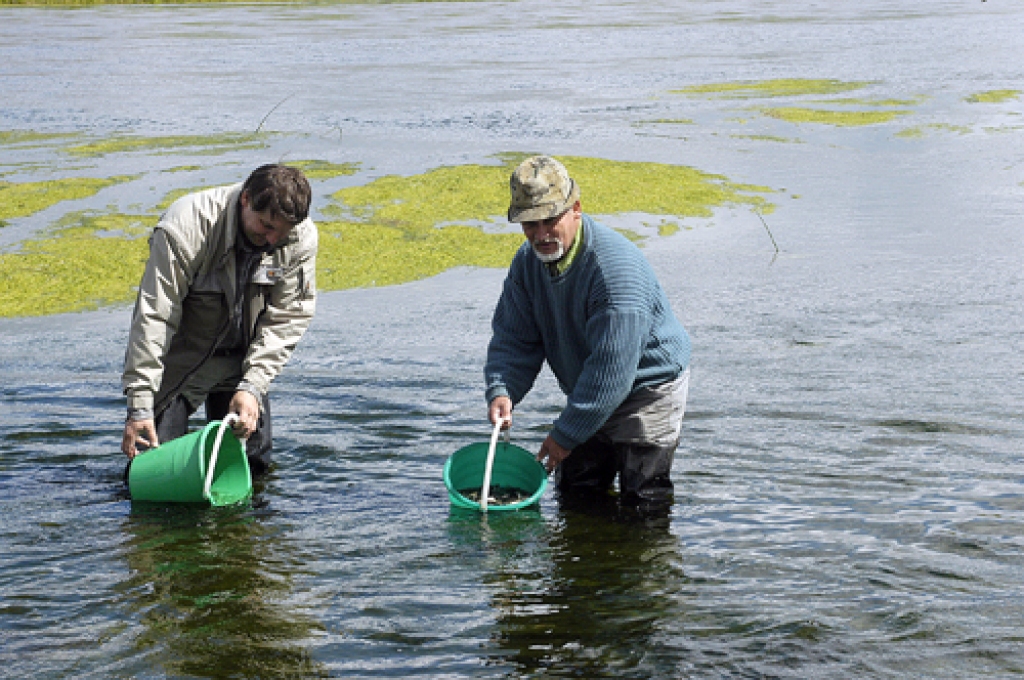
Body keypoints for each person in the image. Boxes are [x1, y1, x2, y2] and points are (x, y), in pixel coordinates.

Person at [485, 155, 691, 507]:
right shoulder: (527, 263)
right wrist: (503, 390)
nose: (540, 235)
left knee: (643, 504)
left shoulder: (615, 274)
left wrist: (564, 435)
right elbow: (515, 338)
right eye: (529, 225)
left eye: (550, 220)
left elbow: (612, 373)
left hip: (647, 387)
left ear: (575, 209)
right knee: (576, 492)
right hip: (588, 382)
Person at [121, 164, 317, 474]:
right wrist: (140, 403)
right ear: (245, 200)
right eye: (266, 226)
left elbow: (287, 318)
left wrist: (252, 386)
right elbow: (154, 316)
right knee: (152, 465)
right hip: (183, 361)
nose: (271, 239)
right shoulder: (185, 226)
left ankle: (244, 523)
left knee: (253, 468)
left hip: (244, 362)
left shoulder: (297, 236)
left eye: (281, 232)